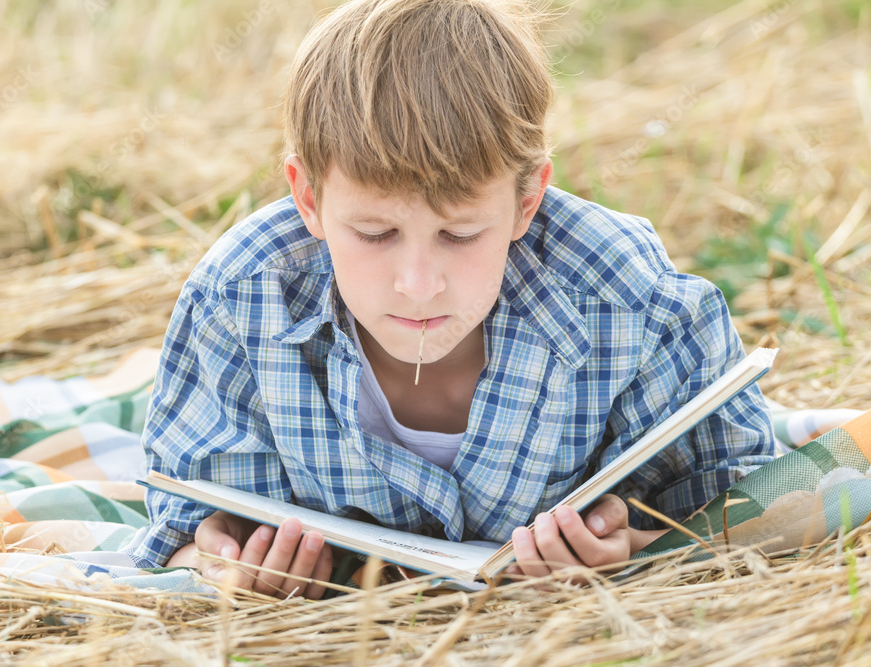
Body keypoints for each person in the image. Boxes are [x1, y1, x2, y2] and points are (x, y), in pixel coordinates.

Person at [121, 0, 775, 600]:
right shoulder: (242, 299)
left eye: (460, 234)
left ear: (526, 200)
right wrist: (221, 565)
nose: (419, 282)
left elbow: (741, 493)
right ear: (309, 199)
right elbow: (186, 516)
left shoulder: (630, 301)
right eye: (375, 233)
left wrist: (634, 549)